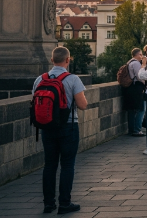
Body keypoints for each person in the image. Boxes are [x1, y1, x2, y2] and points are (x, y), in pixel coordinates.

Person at [33, 47, 87, 215]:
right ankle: (65, 203)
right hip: (68, 127)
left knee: (49, 165)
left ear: (52, 60)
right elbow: (82, 105)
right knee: (67, 165)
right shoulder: (73, 79)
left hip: (46, 127)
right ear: (68, 60)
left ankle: (48, 203)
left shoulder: (39, 79)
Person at [123, 48, 146, 137]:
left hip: (131, 88)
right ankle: (137, 130)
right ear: (136, 55)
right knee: (140, 109)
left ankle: (131, 130)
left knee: (131, 110)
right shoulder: (136, 63)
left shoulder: (130, 62)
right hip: (136, 87)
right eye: (140, 54)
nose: (141, 56)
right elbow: (139, 75)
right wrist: (145, 82)